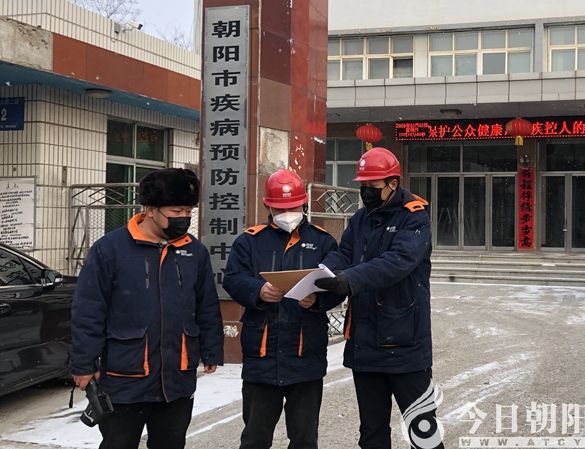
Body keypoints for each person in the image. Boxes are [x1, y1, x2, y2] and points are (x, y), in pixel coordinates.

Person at [70, 168, 224, 449]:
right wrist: (83, 363)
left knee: (171, 443)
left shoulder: (194, 252)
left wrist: (211, 349)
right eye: (176, 211)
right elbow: (88, 310)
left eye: (188, 211)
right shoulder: (110, 249)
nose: (184, 218)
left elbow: (206, 305)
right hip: (125, 375)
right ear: (150, 209)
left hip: (177, 376)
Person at [315, 147, 443, 449]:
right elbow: (344, 254)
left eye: (372, 185)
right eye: (363, 185)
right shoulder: (361, 219)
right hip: (366, 344)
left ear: (393, 183)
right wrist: (321, 275)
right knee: (372, 434)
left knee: (423, 431)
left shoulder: (414, 217)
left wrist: (350, 280)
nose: (366, 192)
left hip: (405, 344)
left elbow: (396, 262)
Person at [223, 168, 345, 449]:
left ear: (304, 204)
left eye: (293, 208)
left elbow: (337, 285)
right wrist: (258, 291)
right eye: (280, 208)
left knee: (304, 439)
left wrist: (318, 300)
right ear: (267, 205)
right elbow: (233, 279)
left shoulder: (323, 241)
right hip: (262, 355)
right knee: (255, 438)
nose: (287, 214)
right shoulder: (249, 241)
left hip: (305, 355)